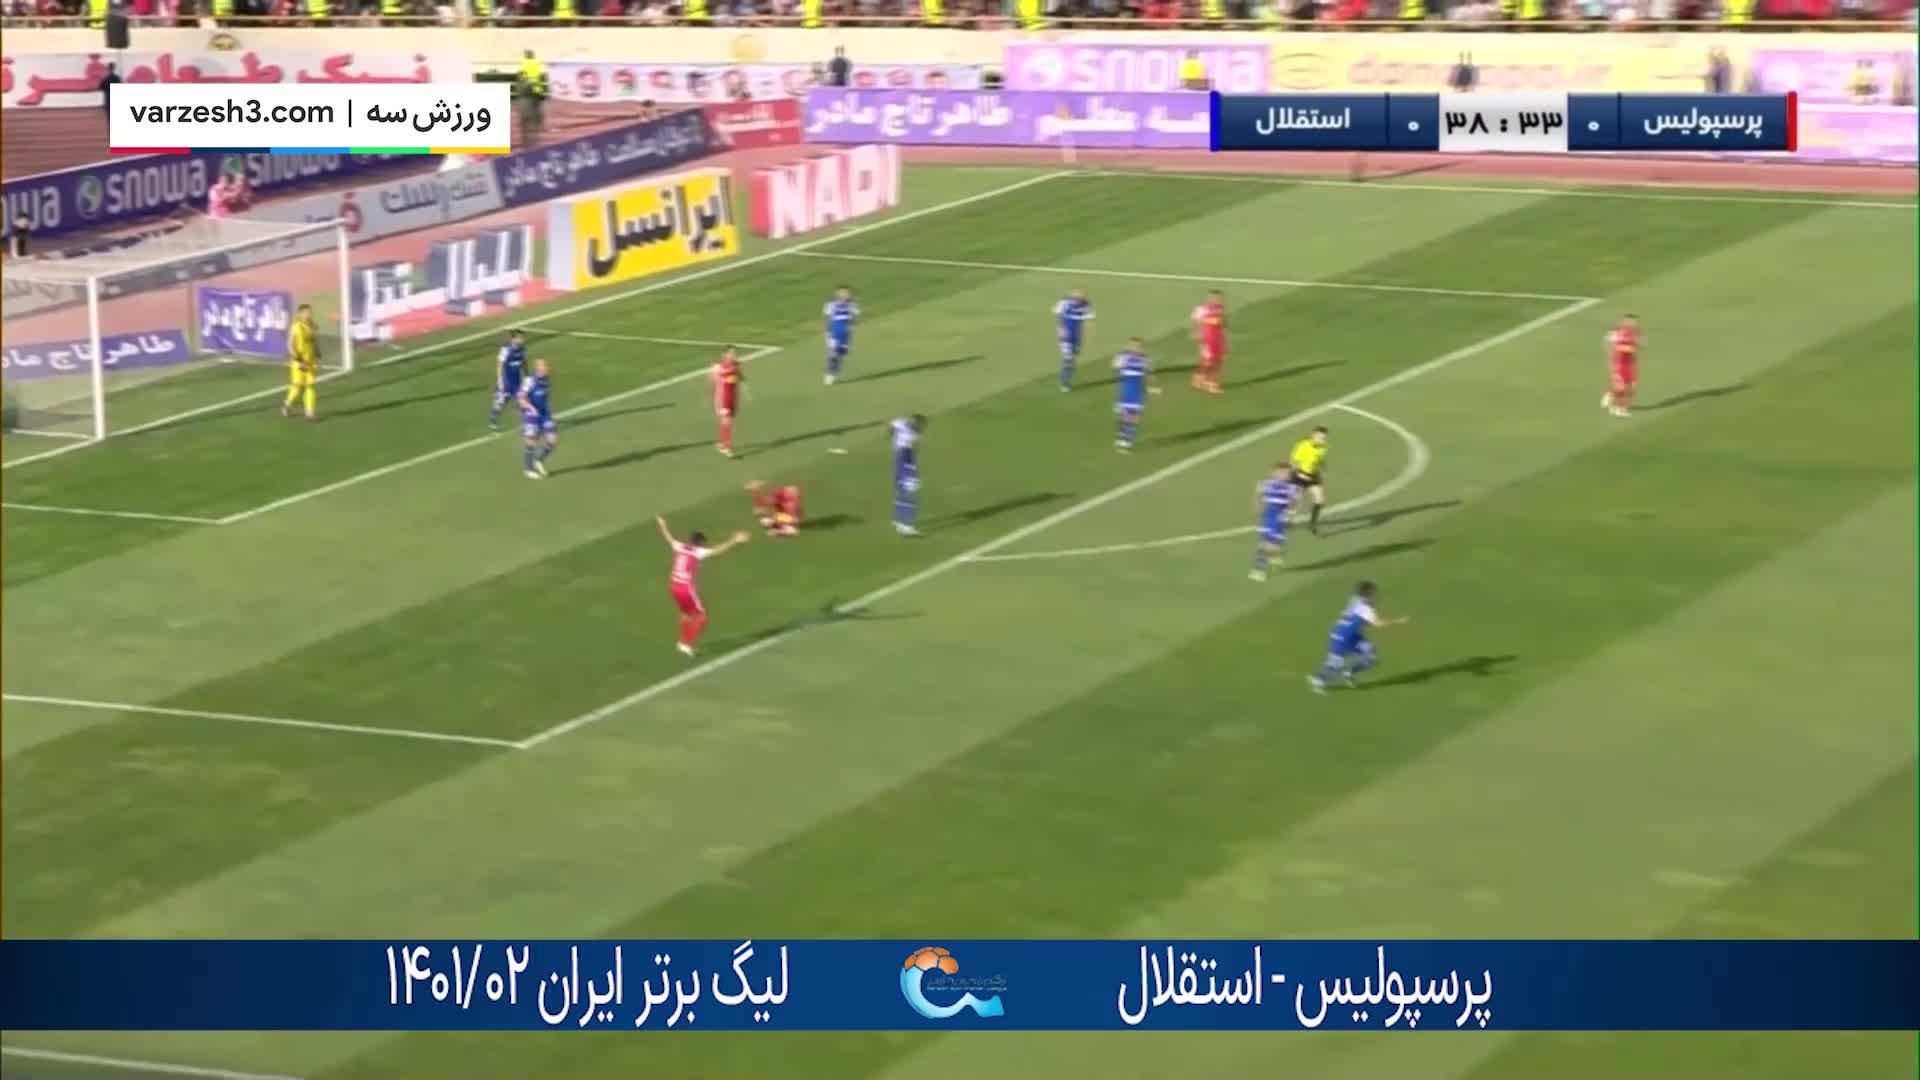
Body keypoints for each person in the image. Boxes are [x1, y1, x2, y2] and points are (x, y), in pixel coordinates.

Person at [657, 515, 749, 657]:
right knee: (701, 617)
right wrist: (734, 540)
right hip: (686, 588)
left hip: (674, 586)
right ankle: (686, 644)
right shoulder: (697, 551)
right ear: (700, 543)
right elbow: (717, 550)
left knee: (686, 614)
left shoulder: (680, 546)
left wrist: (663, 525)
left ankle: (682, 642)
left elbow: (668, 537)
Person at [1309, 581, 1409, 693]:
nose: (1375, 594)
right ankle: (1318, 680)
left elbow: (1360, 612)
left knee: (1370, 656)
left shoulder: (1355, 600)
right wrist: (1398, 621)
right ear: (1367, 594)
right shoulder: (1366, 609)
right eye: (1373, 593)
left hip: (1348, 635)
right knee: (1335, 666)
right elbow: (1378, 623)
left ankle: (1349, 672)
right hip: (1342, 638)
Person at [1250, 463, 1297, 582]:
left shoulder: (1291, 488)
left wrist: (1290, 517)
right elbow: (1258, 495)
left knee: (1268, 544)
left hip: (1279, 518)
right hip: (1268, 516)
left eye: (1288, 473)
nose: (1286, 475)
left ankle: (1262, 567)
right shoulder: (1266, 484)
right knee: (1265, 543)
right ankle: (1266, 564)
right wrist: (1258, 509)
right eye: (1283, 473)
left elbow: (1292, 503)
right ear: (1274, 473)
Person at [1112, 337, 1152, 452]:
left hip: (1138, 392)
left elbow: (1148, 374)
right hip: (1126, 391)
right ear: (1129, 346)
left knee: (1134, 417)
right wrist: (1121, 355)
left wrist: (1150, 387)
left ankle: (1127, 440)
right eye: (1133, 346)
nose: (1136, 348)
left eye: (1138, 346)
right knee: (1123, 416)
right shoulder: (1124, 357)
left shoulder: (1144, 359)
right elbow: (1114, 365)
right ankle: (1122, 437)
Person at [519, 357, 556, 478]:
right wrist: (530, 408)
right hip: (531, 415)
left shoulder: (547, 379)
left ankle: (539, 460)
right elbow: (521, 398)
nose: (547, 368)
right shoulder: (530, 381)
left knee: (552, 440)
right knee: (531, 441)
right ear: (538, 368)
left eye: (547, 365)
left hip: (544, 414)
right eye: (544, 366)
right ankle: (528, 469)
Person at [282, 303, 319, 420]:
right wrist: (298, 359)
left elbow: (314, 341)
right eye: (306, 312)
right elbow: (290, 344)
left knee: (310, 386)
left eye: (310, 312)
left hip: (310, 361)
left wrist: (317, 352)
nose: (309, 315)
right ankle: (287, 405)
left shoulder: (312, 326)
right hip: (299, 362)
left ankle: (309, 412)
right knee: (297, 387)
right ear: (300, 314)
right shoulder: (296, 327)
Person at [1290, 426, 1329, 535]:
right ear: (1313, 436)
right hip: (1299, 475)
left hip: (1313, 476)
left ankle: (1312, 523)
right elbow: (1294, 463)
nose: (1323, 440)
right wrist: (1301, 474)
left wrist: (1323, 470)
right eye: (1321, 438)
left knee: (1320, 500)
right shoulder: (1303, 446)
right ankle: (1287, 519)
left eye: (1324, 438)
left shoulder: (1323, 448)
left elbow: (1320, 460)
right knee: (1296, 500)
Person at [1053, 288, 1094, 392]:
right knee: (1068, 359)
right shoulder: (1065, 302)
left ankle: (1067, 379)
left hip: (1077, 336)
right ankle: (1064, 383)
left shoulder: (1086, 304)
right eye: (1078, 295)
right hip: (1065, 335)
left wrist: (1087, 334)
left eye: (1082, 296)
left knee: (1073, 360)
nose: (1080, 298)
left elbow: (1089, 319)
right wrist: (1060, 328)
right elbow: (1058, 314)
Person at [892, 413, 926, 536]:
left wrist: (893, 436)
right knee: (909, 495)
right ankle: (906, 526)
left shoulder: (902, 423)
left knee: (901, 493)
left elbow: (892, 425)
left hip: (899, 463)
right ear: (916, 423)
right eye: (921, 424)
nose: (922, 427)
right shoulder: (912, 436)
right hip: (905, 465)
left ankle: (898, 520)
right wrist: (913, 474)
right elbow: (908, 457)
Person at [488, 329, 527, 431]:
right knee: (500, 403)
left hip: (517, 382)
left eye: (522, 338)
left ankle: (527, 423)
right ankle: (493, 420)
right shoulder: (506, 349)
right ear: (513, 339)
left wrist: (526, 377)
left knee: (523, 401)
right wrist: (500, 380)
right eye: (520, 338)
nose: (522, 340)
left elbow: (524, 362)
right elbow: (499, 364)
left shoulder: (522, 348)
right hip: (506, 382)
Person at [1602, 314, 1640, 418]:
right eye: (1631, 321)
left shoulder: (1636, 333)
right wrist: (1612, 356)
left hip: (1631, 364)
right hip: (1619, 363)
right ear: (1624, 322)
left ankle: (1612, 397)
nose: (1634, 324)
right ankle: (1618, 408)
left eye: (1635, 322)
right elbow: (1608, 343)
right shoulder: (1618, 333)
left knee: (1632, 387)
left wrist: (1636, 346)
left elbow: (1638, 345)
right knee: (1621, 388)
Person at [1190, 289, 1227, 393]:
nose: (1217, 300)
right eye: (1215, 298)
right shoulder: (1202, 309)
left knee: (1218, 361)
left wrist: (1224, 334)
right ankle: (1202, 380)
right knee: (1208, 362)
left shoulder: (1221, 309)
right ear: (1209, 298)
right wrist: (1196, 332)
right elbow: (1194, 320)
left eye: (1219, 298)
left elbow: (1223, 323)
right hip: (1207, 339)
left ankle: (1209, 383)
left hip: (1218, 339)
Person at [711, 345, 745, 457]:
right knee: (727, 420)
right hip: (723, 398)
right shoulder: (718, 367)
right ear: (724, 355)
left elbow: (740, 377)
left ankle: (721, 443)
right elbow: (714, 381)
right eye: (731, 353)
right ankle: (726, 447)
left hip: (732, 397)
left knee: (726, 421)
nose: (734, 355)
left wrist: (741, 378)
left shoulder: (735, 365)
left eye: (735, 353)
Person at [822, 285, 858, 385]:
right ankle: (829, 374)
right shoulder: (831, 304)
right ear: (837, 294)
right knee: (833, 353)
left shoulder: (852, 305)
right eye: (843, 293)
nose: (846, 295)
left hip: (845, 333)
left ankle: (834, 372)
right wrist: (827, 332)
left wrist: (851, 327)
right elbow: (827, 318)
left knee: (841, 354)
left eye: (847, 293)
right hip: (833, 332)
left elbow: (853, 319)